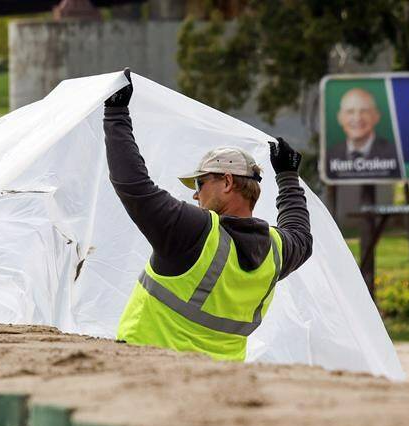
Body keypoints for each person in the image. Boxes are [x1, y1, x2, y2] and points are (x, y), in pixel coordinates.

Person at [104, 70, 313, 362]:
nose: (195, 194)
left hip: (146, 369)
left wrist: (116, 114)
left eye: (201, 183)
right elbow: (301, 235)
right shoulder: (276, 250)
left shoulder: (193, 232)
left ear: (227, 183)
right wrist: (288, 176)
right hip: (218, 383)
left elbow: (133, 185)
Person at [324, 87, 402, 180]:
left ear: (376, 116)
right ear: (340, 117)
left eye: (364, 111)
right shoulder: (329, 157)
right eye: (350, 112)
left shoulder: (396, 154)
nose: (357, 118)